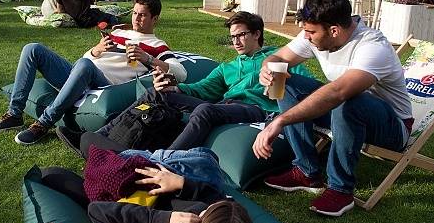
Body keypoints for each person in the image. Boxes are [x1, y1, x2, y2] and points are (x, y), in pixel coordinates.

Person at [252, 0, 413, 218]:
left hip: (391, 128)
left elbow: (338, 92)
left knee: (348, 101)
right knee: (285, 80)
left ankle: (340, 189)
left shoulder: (373, 47)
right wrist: (268, 67)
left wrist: (279, 121)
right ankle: (306, 171)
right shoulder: (317, 30)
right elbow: (278, 57)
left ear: (334, 30)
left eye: (310, 32)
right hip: (343, 109)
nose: (306, 37)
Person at [81, 11, 311, 153]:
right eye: (232, 37)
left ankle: (165, 160)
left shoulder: (280, 58)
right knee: (156, 94)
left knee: (204, 110)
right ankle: (102, 135)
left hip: (257, 109)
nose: (236, 41)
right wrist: (174, 86)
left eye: (241, 35)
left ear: (257, 34)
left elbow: (304, 86)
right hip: (225, 105)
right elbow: (202, 89)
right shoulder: (227, 67)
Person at [0, 0, 186, 145]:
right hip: (81, 73)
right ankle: (14, 114)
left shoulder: (157, 45)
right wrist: (96, 51)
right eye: (134, 13)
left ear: (155, 19)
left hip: (103, 84)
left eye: (142, 15)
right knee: (32, 49)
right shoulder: (119, 32)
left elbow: (180, 72)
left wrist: (148, 58)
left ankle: (43, 123)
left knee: (84, 66)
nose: (136, 19)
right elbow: (86, 58)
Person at [40, 162, 265, 223]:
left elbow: (98, 211)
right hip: (149, 186)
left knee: (52, 174)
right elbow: (216, 197)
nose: (202, 210)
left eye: (204, 213)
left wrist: (162, 222)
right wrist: (182, 184)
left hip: (119, 202)